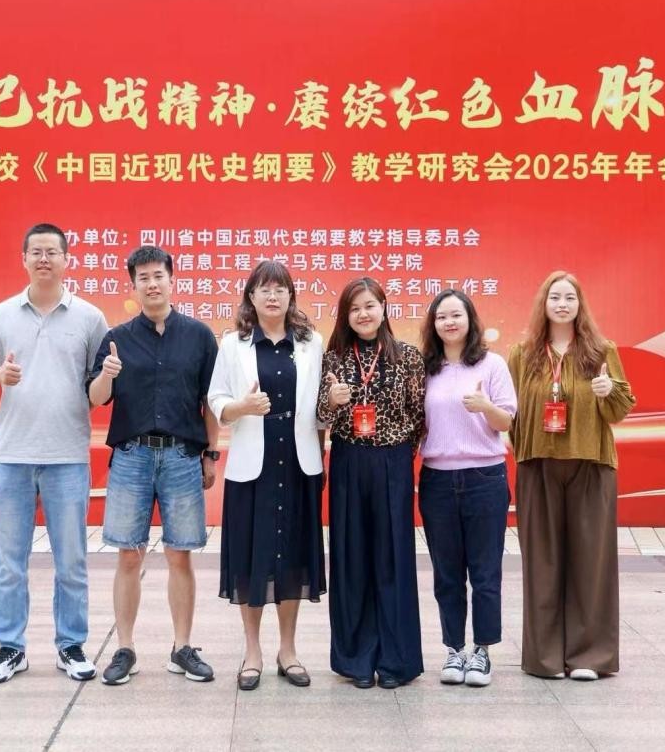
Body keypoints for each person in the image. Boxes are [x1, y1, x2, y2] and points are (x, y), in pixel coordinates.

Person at [0, 223, 108, 685]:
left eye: (52, 252)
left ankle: (71, 645)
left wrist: (106, 379)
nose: (44, 259)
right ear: (23, 259)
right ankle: (11, 647)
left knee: (72, 561)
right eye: (36, 252)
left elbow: (99, 387)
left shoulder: (89, 318)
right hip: (11, 456)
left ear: (67, 260)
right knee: (10, 562)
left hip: (68, 456)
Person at [87, 245, 220, 685]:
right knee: (129, 554)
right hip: (133, 457)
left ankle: (182, 647)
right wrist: (106, 373)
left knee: (180, 554)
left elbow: (210, 402)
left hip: (182, 456)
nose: (152, 283)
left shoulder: (199, 336)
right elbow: (96, 398)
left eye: (158, 275)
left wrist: (210, 454)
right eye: (143, 277)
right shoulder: (117, 338)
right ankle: (125, 649)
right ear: (133, 286)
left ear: (171, 279)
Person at [507, 270, 635, 681]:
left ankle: (589, 657)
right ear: (543, 304)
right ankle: (544, 658)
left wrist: (607, 393)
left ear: (580, 305)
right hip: (538, 466)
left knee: (590, 564)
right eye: (555, 297)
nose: (562, 305)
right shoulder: (523, 354)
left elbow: (620, 409)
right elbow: (509, 412)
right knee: (541, 564)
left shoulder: (601, 350)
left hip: (591, 464)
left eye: (570, 298)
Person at [207, 261, 327, 691]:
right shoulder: (233, 343)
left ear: (291, 296)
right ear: (251, 297)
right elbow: (216, 399)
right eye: (264, 289)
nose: (272, 296)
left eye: (280, 289)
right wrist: (241, 407)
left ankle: (288, 651)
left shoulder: (311, 342)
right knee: (250, 557)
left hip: (298, 463)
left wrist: (322, 455)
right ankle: (253, 651)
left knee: (293, 556)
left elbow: (320, 407)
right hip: (251, 468)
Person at [317, 276, 425, 689]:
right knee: (351, 557)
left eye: (370, 306)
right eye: (355, 308)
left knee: (393, 557)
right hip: (348, 460)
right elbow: (319, 416)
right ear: (345, 315)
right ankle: (356, 660)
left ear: (384, 308)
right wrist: (331, 402)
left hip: (392, 462)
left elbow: (419, 415)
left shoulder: (408, 357)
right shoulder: (334, 359)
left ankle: (397, 660)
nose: (363, 314)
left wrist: (396, 455)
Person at [418, 289, 517, 687]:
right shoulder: (425, 368)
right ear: (434, 324)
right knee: (447, 573)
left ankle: (482, 651)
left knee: (485, 571)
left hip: (484, 478)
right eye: (442, 317)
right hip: (437, 480)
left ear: (470, 319)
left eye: (456, 315)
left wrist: (485, 407)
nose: (449, 322)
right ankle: (454, 650)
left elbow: (506, 421)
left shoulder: (492, 364)